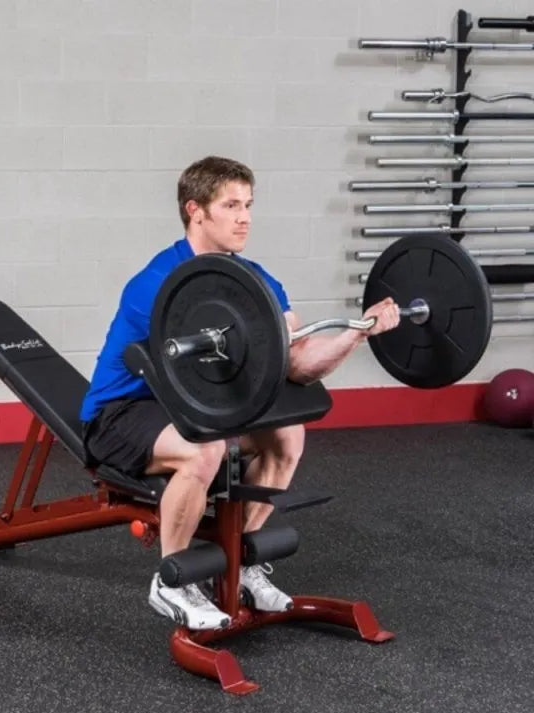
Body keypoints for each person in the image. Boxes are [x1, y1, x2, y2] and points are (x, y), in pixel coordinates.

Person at [79, 156, 400, 630]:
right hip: (124, 411)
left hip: (200, 405)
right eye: (231, 205)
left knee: (287, 435)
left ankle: (238, 563)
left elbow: (299, 362)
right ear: (196, 211)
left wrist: (358, 333)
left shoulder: (257, 282)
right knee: (204, 448)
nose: (245, 216)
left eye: (249, 204)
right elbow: (185, 376)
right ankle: (171, 581)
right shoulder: (156, 284)